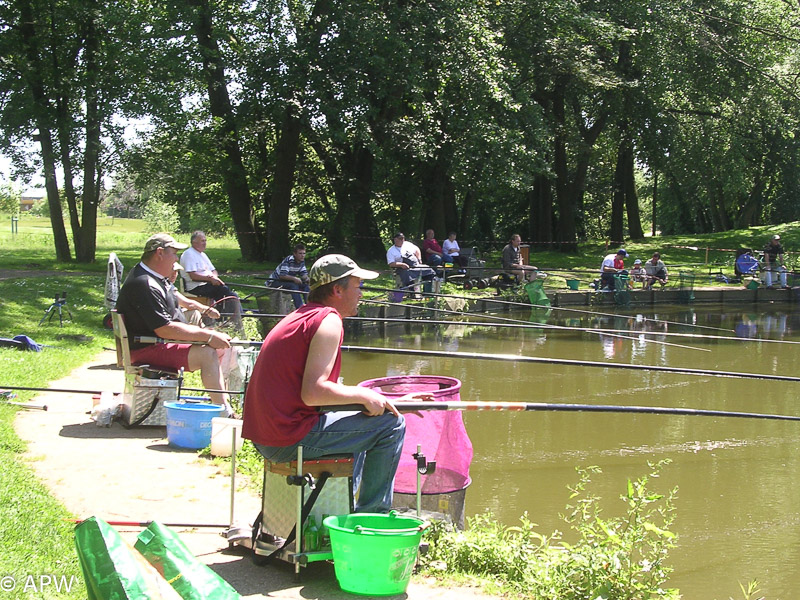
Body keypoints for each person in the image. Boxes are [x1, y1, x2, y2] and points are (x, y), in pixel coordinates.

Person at [242, 254, 432, 513]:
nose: (362, 294)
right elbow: (314, 393)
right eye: (358, 286)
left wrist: (389, 402)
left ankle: (346, 507)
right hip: (286, 437)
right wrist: (366, 396)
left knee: (371, 422)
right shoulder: (329, 320)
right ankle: (372, 518)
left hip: (268, 435)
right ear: (337, 289)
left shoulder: (301, 316)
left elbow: (320, 397)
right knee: (391, 426)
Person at [116, 233, 233, 415]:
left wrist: (204, 316)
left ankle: (219, 402)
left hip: (156, 342)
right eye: (174, 253)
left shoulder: (154, 277)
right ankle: (225, 414)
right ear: (160, 253)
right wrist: (208, 336)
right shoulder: (144, 284)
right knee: (208, 353)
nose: (177, 258)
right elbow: (164, 328)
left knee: (219, 347)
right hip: (146, 349)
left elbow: (180, 305)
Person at [179, 230, 242, 331]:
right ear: (194, 243)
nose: (205, 243)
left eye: (205, 240)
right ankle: (228, 320)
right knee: (226, 292)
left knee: (228, 293)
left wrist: (215, 278)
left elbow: (213, 270)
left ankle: (226, 319)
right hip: (195, 287)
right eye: (202, 241)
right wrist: (210, 279)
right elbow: (193, 276)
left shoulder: (202, 254)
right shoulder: (189, 254)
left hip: (207, 283)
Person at [266, 243, 311, 309]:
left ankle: (309, 306)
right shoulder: (289, 260)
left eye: (304, 253)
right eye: (300, 253)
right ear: (295, 254)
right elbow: (282, 276)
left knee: (306, 286)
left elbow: (303, 275)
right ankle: (300, 307)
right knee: (293, 285)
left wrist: (308, 279)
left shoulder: (301, 261)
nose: (302, 255)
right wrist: (294, 279)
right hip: (275, 281)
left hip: (287, 281)